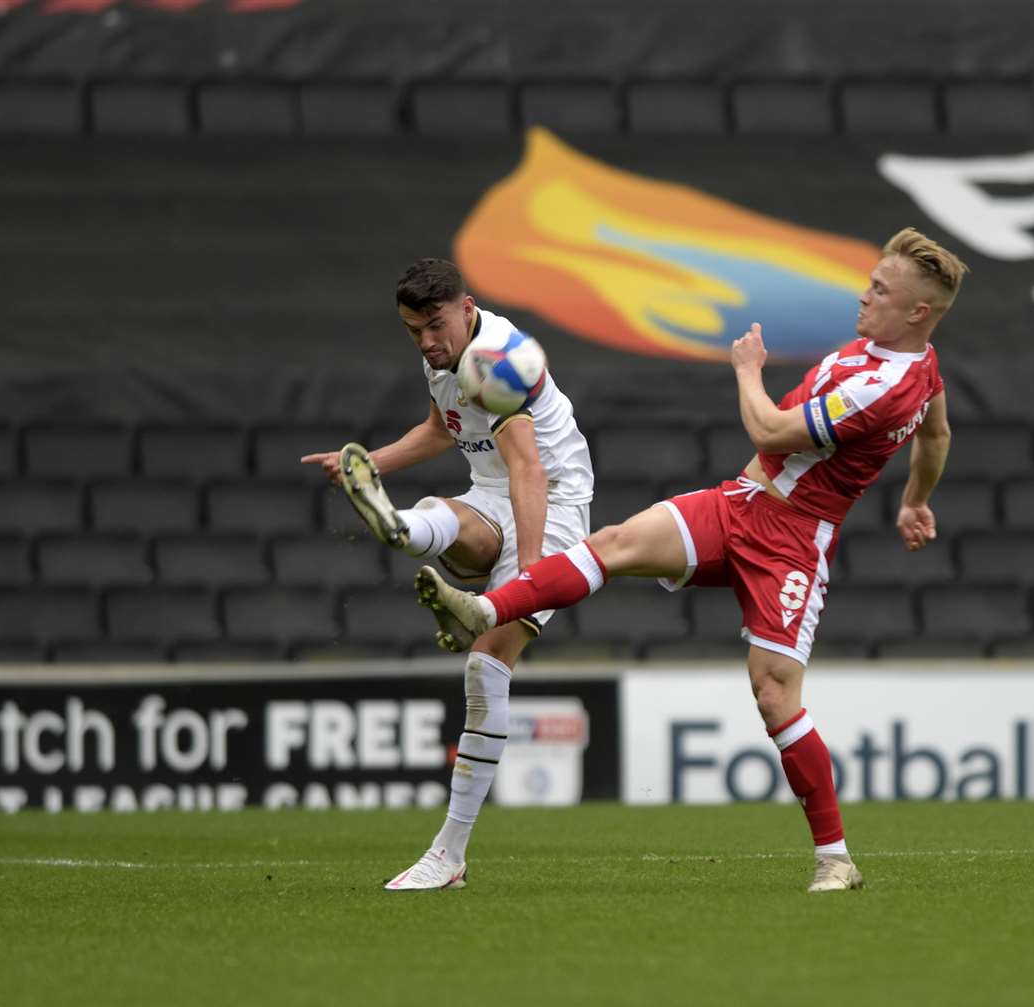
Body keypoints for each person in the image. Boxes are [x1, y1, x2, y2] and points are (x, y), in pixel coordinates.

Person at [414, 227, 967, 893]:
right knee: (612, 544)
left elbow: (767, 430)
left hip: (792, 542)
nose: (865, 294)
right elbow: (936, 433)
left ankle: (834, 858)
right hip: (735, 505)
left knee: (773, 696)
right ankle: (482, 607)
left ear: (918, 312)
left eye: (881, 290)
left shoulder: (883, 386)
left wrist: (746, 370)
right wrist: (914, 500)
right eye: (870, 281)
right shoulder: (917, 360)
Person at [300, 257, 594, 891]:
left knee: (486, 668)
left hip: (553, 504)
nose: (427, 341)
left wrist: (532, 575)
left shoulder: (499, 360)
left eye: (436, 325)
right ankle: (405, 528)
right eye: (414, 330)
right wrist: (369, 462)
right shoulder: (439, 360)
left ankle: (449, 854)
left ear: (467, 309)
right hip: (489, 492)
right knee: (446, 517)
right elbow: (441, 429)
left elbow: (529, 472)